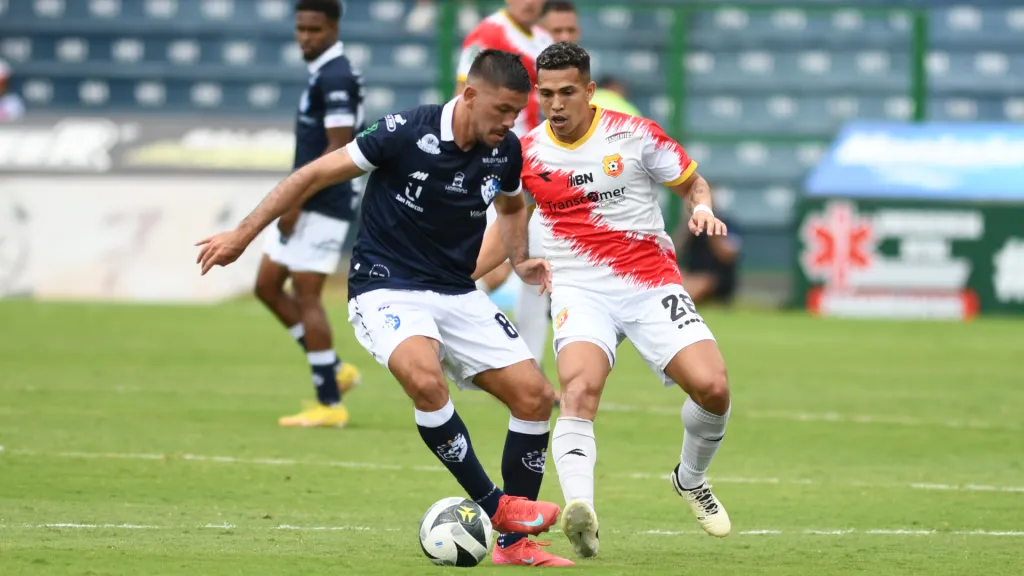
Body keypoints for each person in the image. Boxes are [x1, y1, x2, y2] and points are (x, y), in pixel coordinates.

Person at [196, 49, 574, 568]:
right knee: (424, 380)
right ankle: (496, 506)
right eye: (502, 110)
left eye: (516, 112)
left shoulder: (504, 150)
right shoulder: (404, 131)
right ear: (469, 95)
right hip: (385, 286)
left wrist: (519, 258)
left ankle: (513, 546)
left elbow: (511, 206)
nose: (509, 123)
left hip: (456, 291)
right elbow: (311, 176)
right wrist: (242, 235)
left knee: (535, 398)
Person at [475, 42, 733, 558]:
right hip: (578, 286)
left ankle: (690, 478)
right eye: (546, 94)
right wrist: (458, 279)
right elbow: (507, 225)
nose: (556, 104)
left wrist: (701, 208)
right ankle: (582, 512)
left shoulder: (633, 134)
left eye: (567, 92)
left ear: (589, 91)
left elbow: (692, 183)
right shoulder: (525, 152)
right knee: (579, 390)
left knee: (714, 389)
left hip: (651, 282)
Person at [253, 0, 363, 428]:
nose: (305, 37)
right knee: (266, 285)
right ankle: (333, 366)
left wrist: (295, 201)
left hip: (324, 201)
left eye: (314, 29)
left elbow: (339, 145)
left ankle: (330, 402)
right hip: (307, 197)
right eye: (300, 29)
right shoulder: (323, 72)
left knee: (307, 295)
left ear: (333, 27)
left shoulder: (335, 76)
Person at [456, 0, 555, 373]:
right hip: (495, 161)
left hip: (533, 162)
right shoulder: (488, 34)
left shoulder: (542, 38)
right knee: (493, 263)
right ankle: (446, 325)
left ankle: (529, 366)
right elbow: (464, 95)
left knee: (533, 265)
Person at [677, 202, 742, 305]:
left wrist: (712, 231)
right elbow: (675, 250)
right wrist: (685, 229)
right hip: (692, 274)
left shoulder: (726, 224)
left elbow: (729, 254)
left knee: (700, 283)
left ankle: (681, 306)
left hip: (716, 278)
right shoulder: (691, 227)